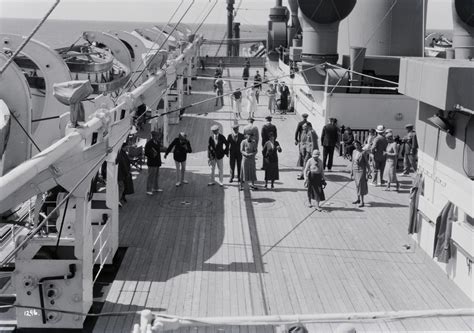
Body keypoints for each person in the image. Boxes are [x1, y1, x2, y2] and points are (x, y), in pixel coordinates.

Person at [351, 140, 370, 207]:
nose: (356, 146)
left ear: (360, 145)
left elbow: (367, 163)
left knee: (361, 185)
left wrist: (369, 171)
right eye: (355, 145)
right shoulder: (354, 151)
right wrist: (351, 172)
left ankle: (362, 201)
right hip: (355, 170)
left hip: (361, 170)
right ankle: (358, 199)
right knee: (357, 185)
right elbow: (353, 162)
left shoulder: (363, 152)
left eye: (357, 145)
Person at [144, 131, 163, 195]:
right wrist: (152, 154)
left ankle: (155, 187)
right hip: (152, 162)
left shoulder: (157, 142)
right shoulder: (149, 143)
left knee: (157, 175)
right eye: (157, 136)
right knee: (151, 176)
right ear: (154, 136)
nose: (158, 137)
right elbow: (146, 153)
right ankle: (148, 189)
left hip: (157, 162)